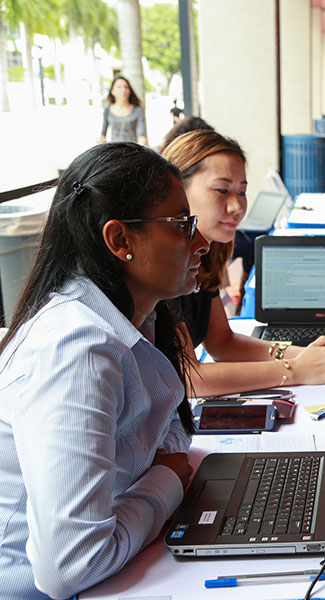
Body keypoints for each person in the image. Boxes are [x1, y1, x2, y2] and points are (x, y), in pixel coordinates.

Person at [0, 142, 206, 599]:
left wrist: (165, 469)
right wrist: (167, 481)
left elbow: (174, 429)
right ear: (120, 241)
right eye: (182, 225)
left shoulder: (134, 316)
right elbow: (68, 567)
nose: (203, 242)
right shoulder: (78, 348)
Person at [161, 130, 325, 397]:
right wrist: (294, 370)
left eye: (242, 191)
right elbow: (188, 378)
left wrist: (312, 356)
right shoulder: (160, 265)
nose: (237, 206)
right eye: (222, 190)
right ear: (178, 190)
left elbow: (222, 343)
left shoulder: (205, 254)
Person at [98, 75, 147, 145]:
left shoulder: (138, 110)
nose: (123, 90)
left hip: (131, 151)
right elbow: (103, 135)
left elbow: (142, 136)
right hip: (114, 151)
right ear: (112, 91)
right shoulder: (107, 109)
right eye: (119, 87)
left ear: (130, 91)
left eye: (126, 87)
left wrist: (140, 150)